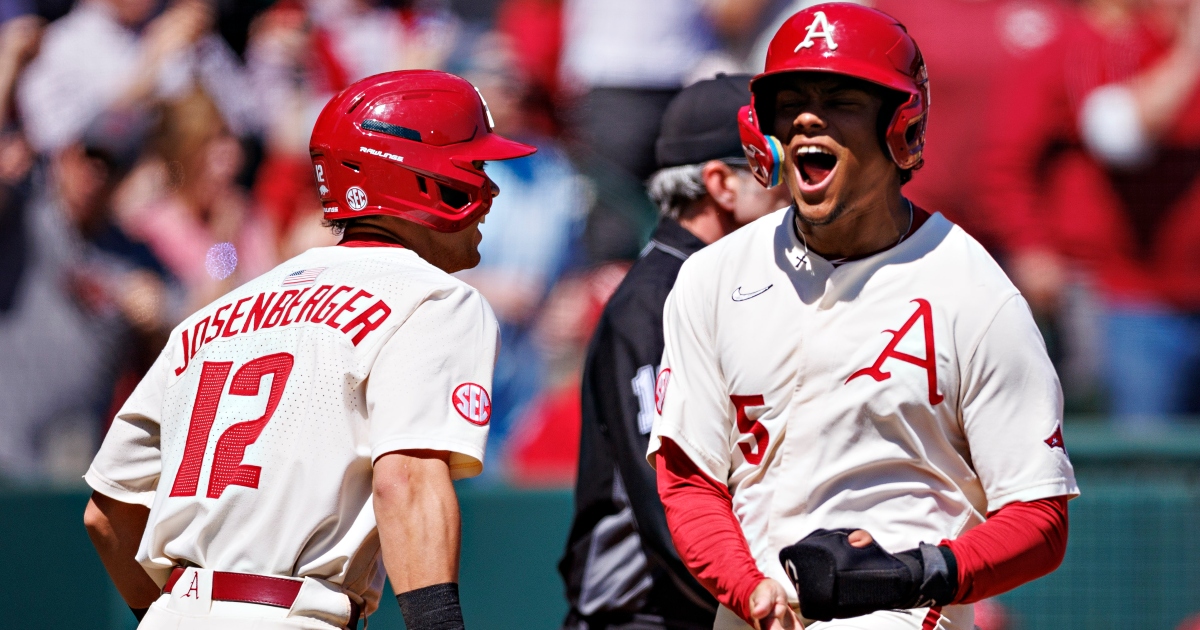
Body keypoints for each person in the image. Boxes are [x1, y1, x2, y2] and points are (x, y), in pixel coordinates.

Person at [647, 5, 1078, 630]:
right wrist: (748, 591)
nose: (806, 119)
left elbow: (1039, 517)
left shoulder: (974, 290)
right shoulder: (712, 277)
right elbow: (689, 481)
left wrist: (911, 573)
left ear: (900, 126)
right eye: (789, 100)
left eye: (841, 99)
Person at [81, 70, 535, 629]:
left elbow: (106, 513)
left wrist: (172, 612)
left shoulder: (214, 314)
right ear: (419, 177)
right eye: (474, 168)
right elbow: (408, 481)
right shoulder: (435, 298)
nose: (489, 192)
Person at [560, 74, 791, 630]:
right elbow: (668, 503)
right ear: (721, 183)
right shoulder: (656, 300)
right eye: (775, 165)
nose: (798, 187)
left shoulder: (740, 285)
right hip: (643, 615)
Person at [977, 0, 1200, 422]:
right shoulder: (1073, 46)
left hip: (1171, 283)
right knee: (1131, 450)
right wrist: (1030, 243)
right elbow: (1114, 135)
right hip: (1118, 290)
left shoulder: (1149, 39)